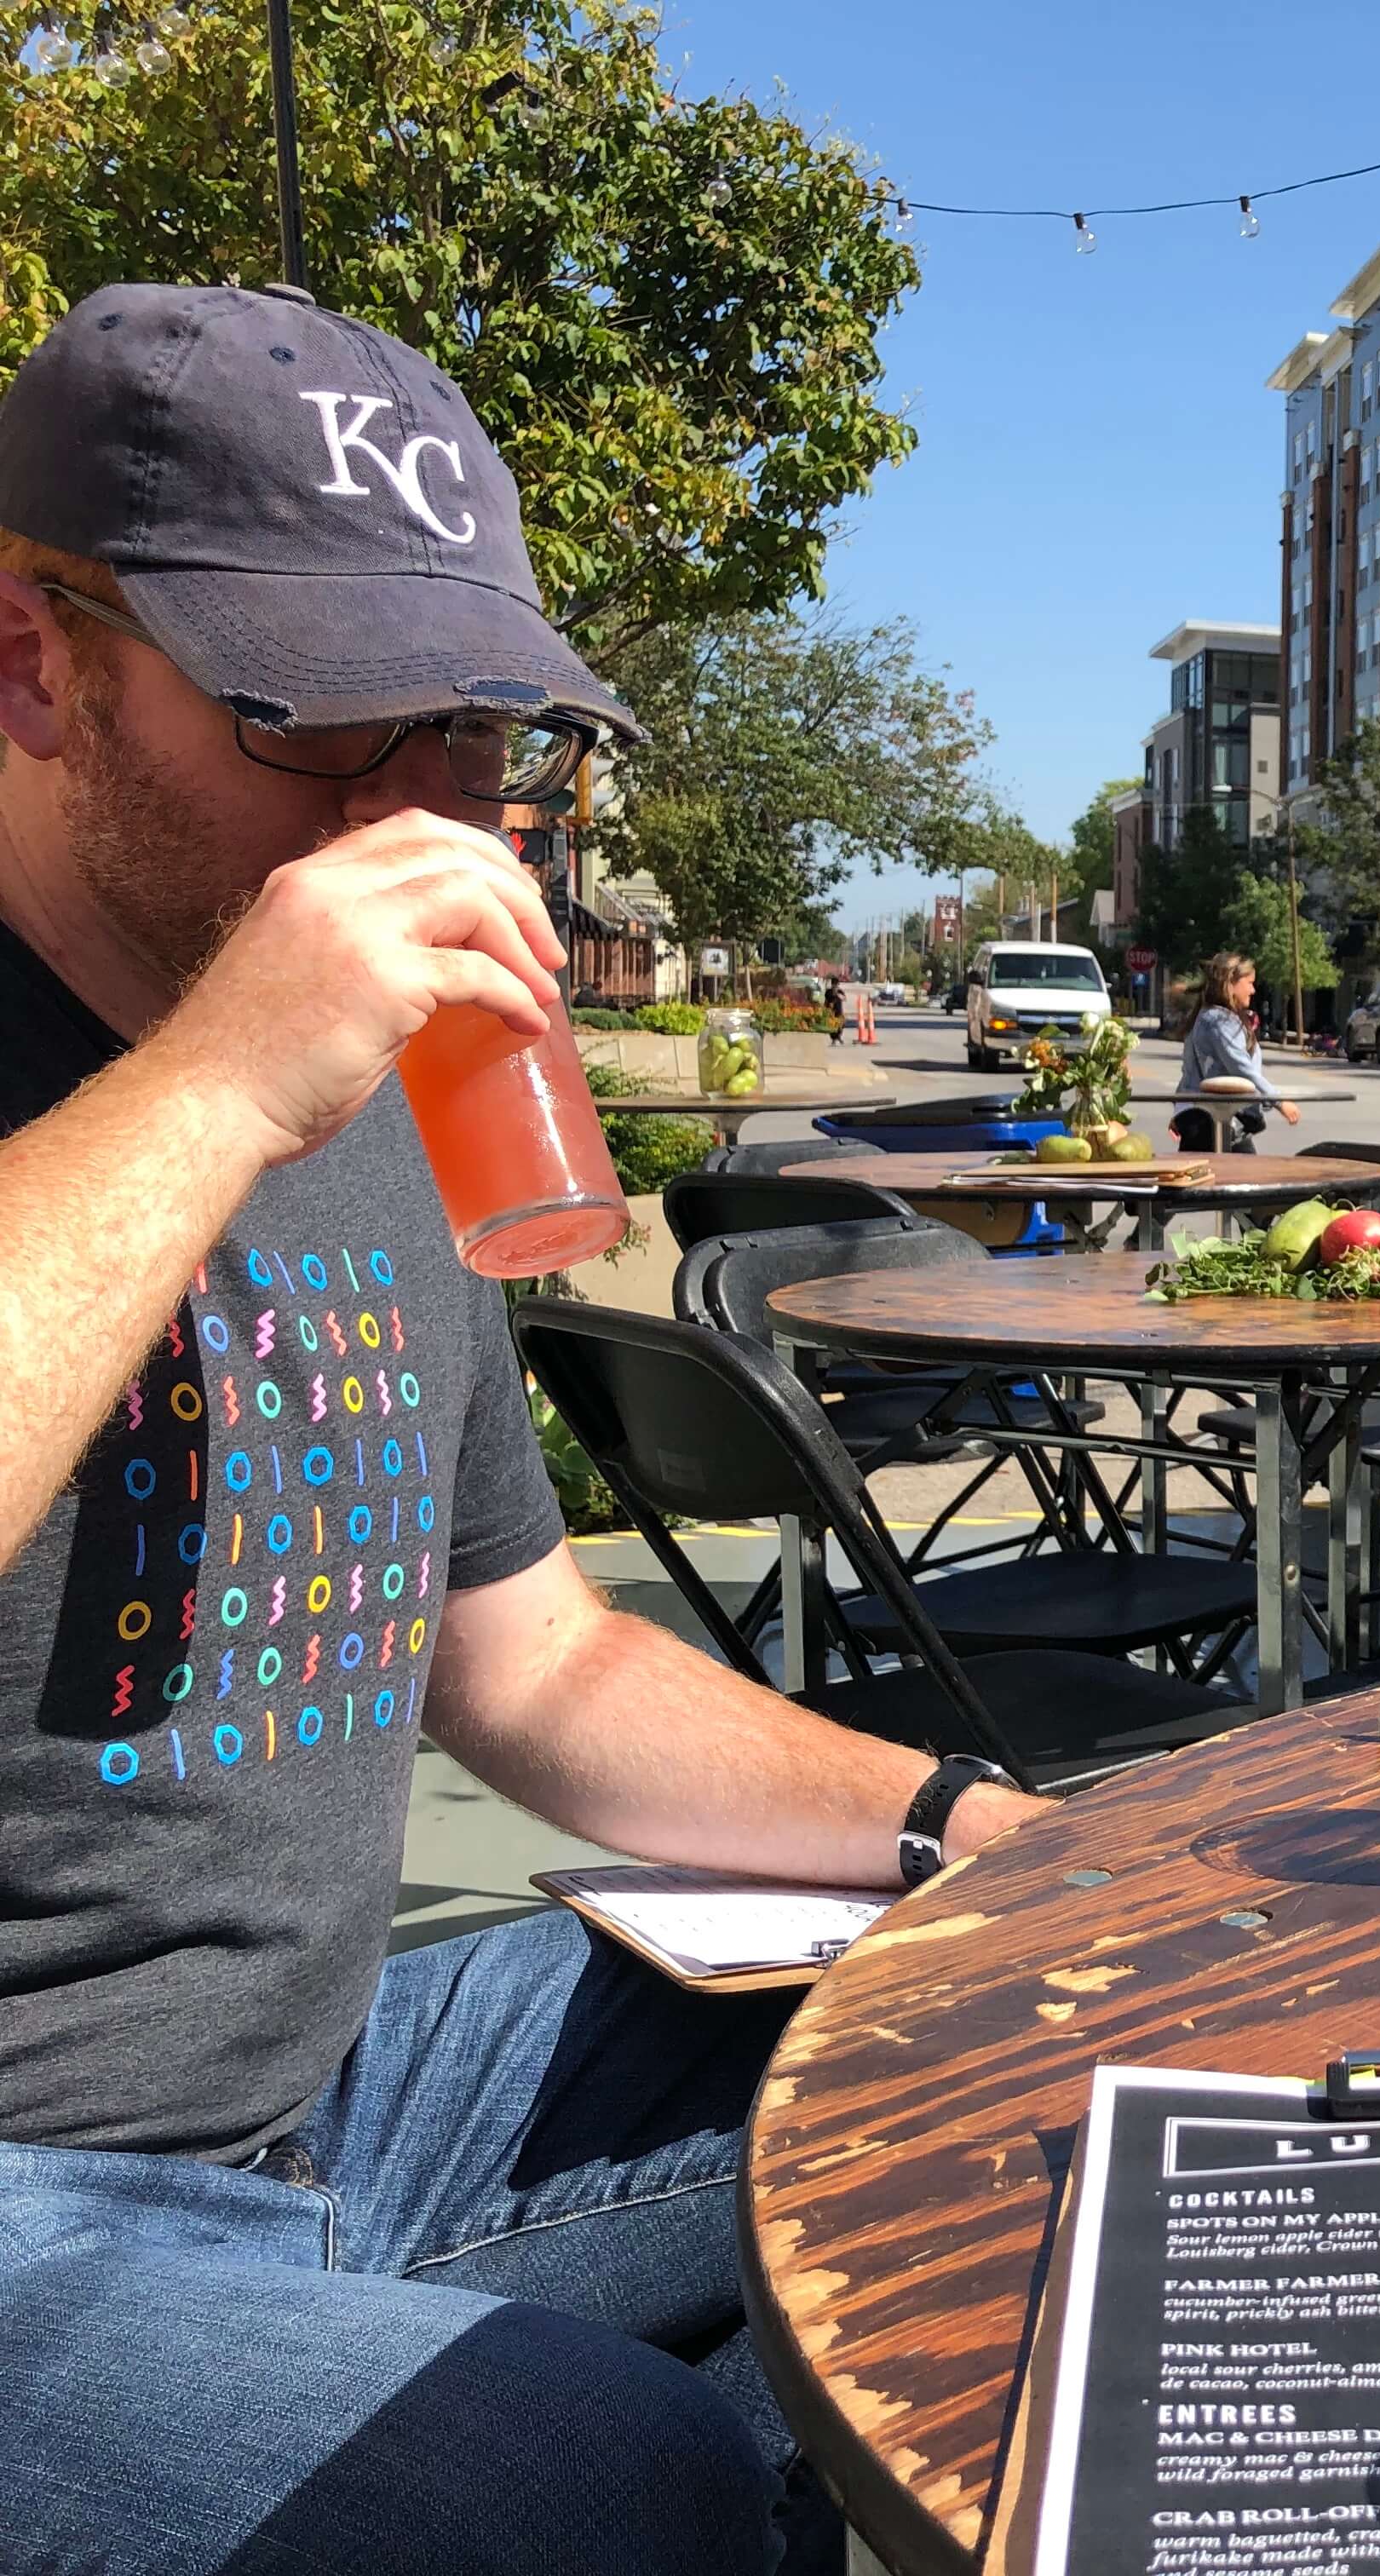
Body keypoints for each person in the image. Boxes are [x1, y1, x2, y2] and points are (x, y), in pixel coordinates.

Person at [0, 283, 1055, 2572]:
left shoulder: (368, 1068)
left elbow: (535, 1666)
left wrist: (977, 1833)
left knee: (1002, 2035)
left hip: (336, 2108)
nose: (413, 820)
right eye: (314, 722)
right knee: (619, 2488)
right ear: (33, 654)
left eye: (471, 735)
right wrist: (211, 1086)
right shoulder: (266, 1037)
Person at [1170, 950, 1303, 1155]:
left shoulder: (1209, 1016)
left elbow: (1190, 1072)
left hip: (1204, 1116)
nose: (1253, 990)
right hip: (1214, 1118)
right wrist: (1279, 1101)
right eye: (1249, 983)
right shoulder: (1219, 1021)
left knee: (1210, 1177)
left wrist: (1181, 1108)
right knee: (1243, 1177)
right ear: (1231, 983)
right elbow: (1242, 1069)